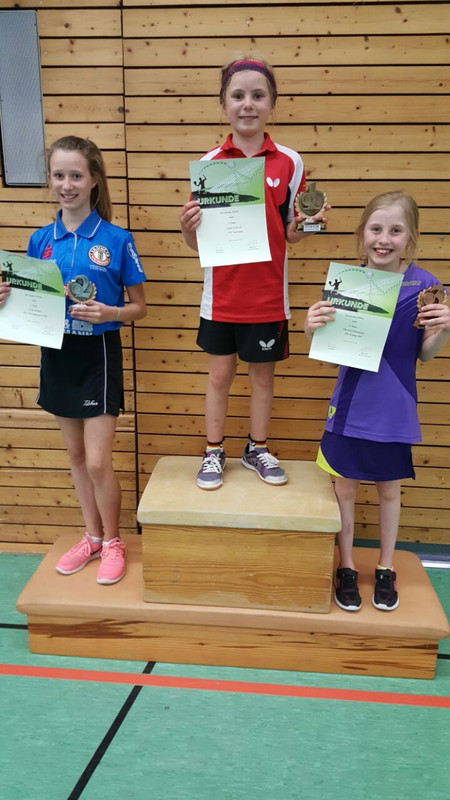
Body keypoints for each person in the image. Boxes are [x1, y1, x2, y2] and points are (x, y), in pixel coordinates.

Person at [180, 57, 329, 490]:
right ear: (224, 104)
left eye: (258, 96)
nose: (248, 104)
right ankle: (213, 451)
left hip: (268, 297)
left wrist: (308, 224)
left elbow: (291, 232)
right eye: (238, 95)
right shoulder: (210, 163)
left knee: (263, 379)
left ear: (272, 104)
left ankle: (256, 448)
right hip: (221, 298)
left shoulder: (290, 162)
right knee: (219, 377)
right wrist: (187, 229)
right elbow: (199, 245)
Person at [305, 191, 450, 612]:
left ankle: (386, 567)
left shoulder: (427, 286)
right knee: (344, 489)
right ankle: (347, 566)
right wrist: (311, 328)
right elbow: (330, 350)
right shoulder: (347, 285)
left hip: (395, 407)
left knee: (389, 492)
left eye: (395, 230)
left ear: (411, 237)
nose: (384, 239)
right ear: (362, 233)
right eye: (376, 229)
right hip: (350, 406)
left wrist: (445, 328)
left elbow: (426, 354)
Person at [24, 136, 147, 584]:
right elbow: (32, 303)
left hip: (99, 354)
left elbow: (139, 307)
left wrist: (110, 313)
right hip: (57, 354)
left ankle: (113, 541)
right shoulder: (40, 240)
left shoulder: (116, 239)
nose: (67, 184)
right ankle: (92, 537)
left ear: (94, 180)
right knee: (76, 456)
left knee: (97, 461)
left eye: (76, 175)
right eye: (59, 175)